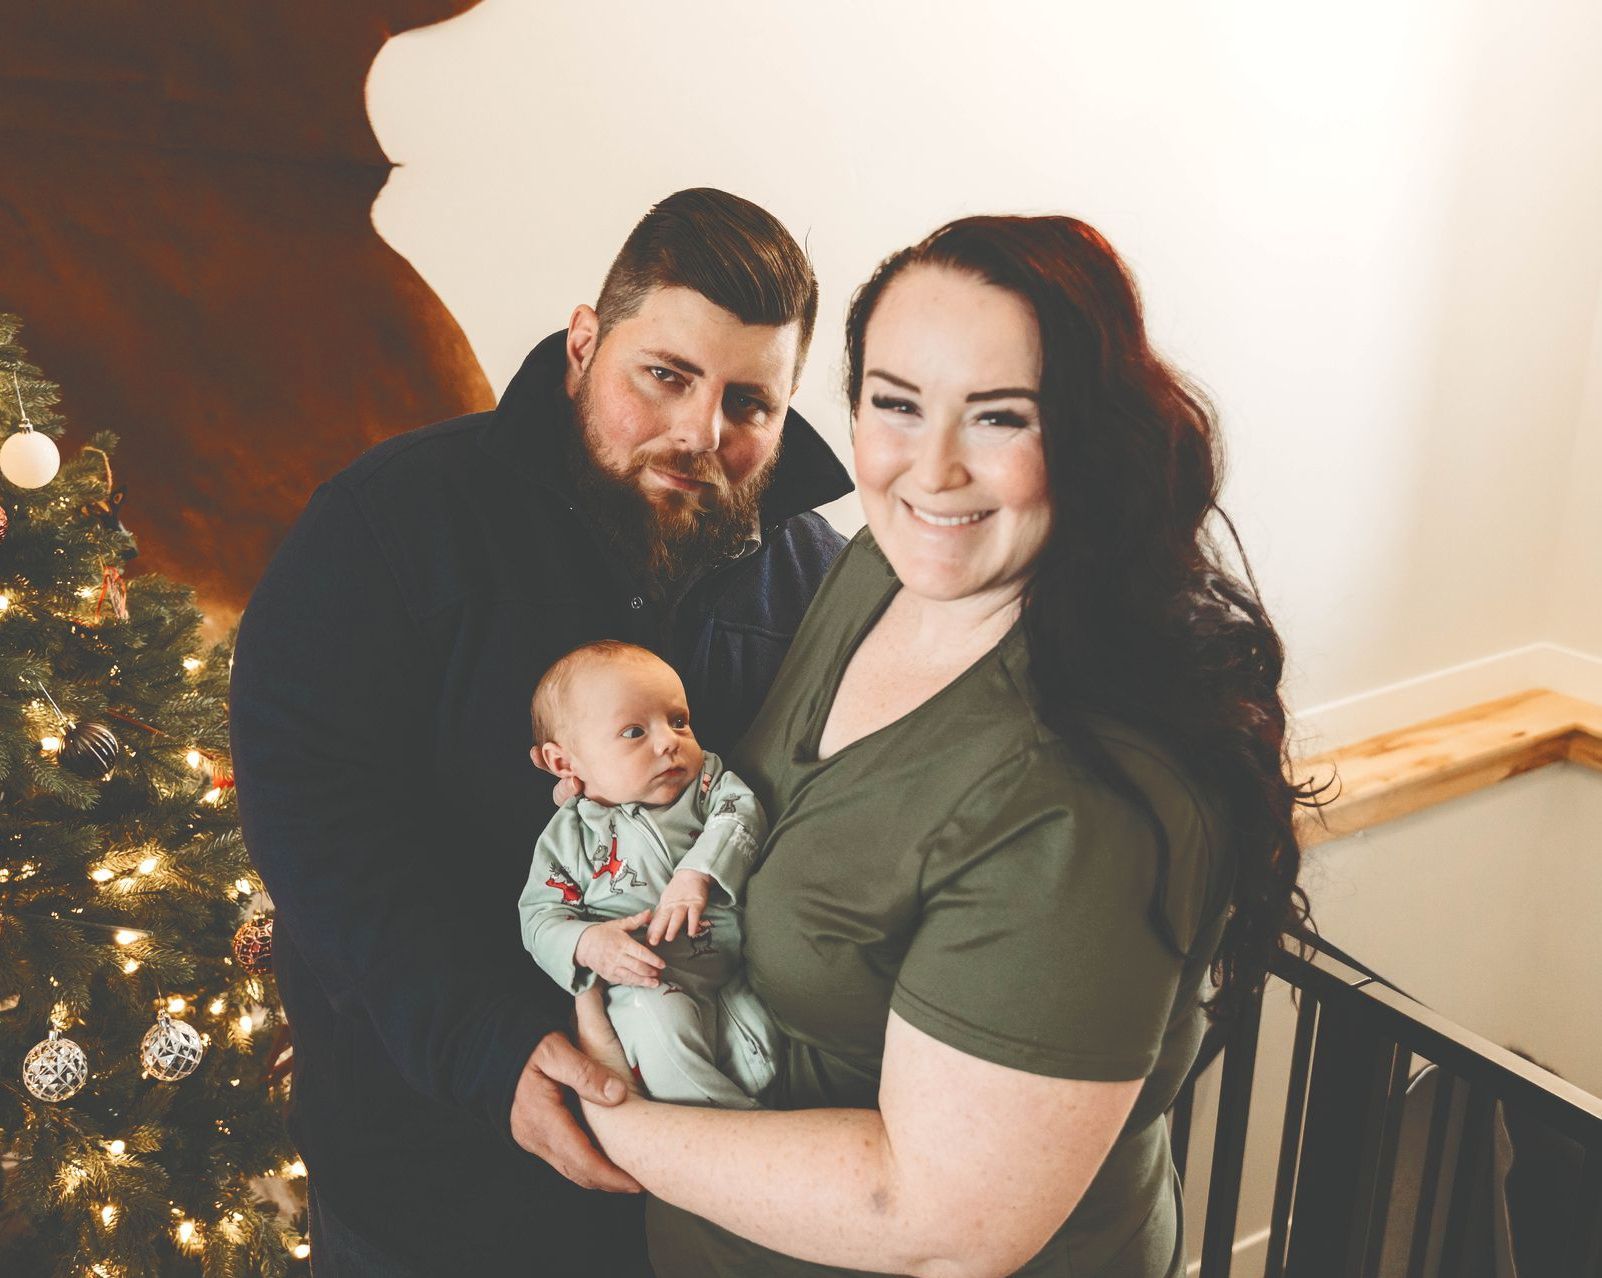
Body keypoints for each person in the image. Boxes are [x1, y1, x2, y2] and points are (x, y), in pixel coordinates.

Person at [569, 216, 1315, 1277]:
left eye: (1000, 418)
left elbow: (935, 1222)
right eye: (897, 404)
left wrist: (617, 1118)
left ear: (1087, 436)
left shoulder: (1083, 796)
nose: (934, 469)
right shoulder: (881, 569)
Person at [229, 188, 852, 1274]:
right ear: (583, 343)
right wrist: (489, 1049)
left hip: (718, 1196)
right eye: (665, 376)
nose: (700, 433)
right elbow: (318, 821)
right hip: (429, 1176)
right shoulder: (391, 521)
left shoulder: (817, 581)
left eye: (751, 403)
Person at [519, 640, 777, 1110]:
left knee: (766, 1049)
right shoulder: (570, 838)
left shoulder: (704, 782)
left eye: (678, 721)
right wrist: (587, 943)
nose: (668, 742)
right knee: (664, 1039)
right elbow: (539, 918)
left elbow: (740, 813)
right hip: (648, 981)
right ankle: (740, 1136)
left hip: (736, 968)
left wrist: (697, 872)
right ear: (563, 762)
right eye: (634, 731)